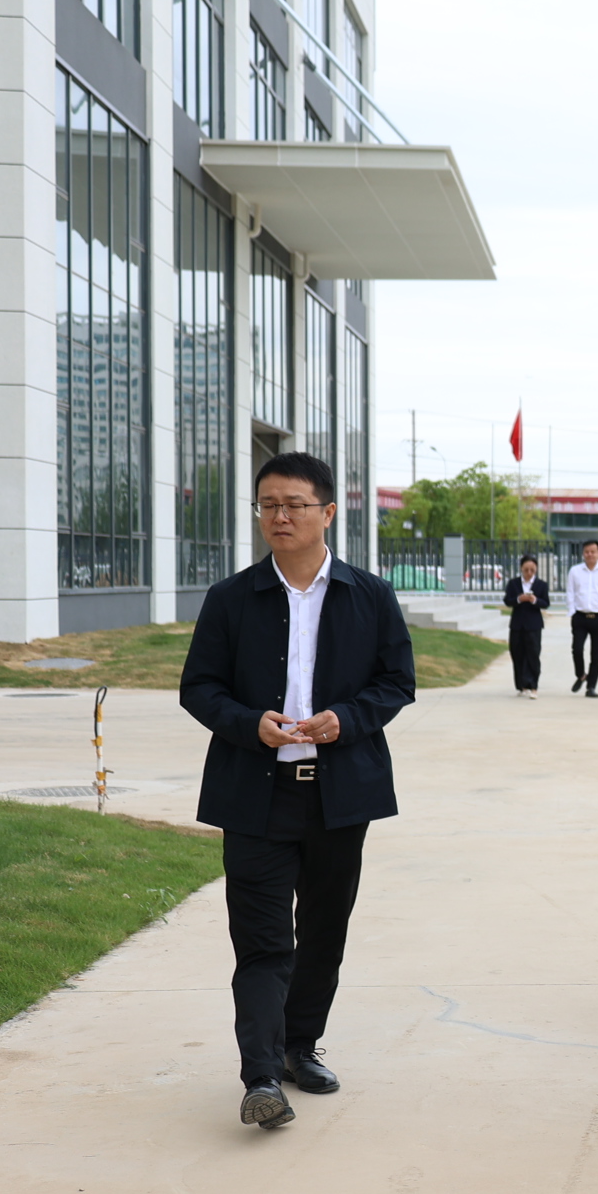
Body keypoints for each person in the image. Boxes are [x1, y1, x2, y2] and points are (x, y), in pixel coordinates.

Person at [178, 452, 416, 1131]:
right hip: (256, 794)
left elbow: (397, 682)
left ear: (328, 512)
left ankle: (298, 1046)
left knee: (323, 931)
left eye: (294, 504)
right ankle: (260, 1078)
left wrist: (349, 718)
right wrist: (247, 724)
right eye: (268, 505)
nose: (279, 516)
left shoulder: (370, 595)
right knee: (261, 942)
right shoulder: (231, 599)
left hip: (339, 796)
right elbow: (199, 688)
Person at [566, 539, 598, 697]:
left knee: (596, 654)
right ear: (583, 554)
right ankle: (581, 675)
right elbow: (570, 592)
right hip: (580, 617)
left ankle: (591, 687)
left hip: (597, 617)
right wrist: (572, 611)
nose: (589, 554)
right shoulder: (575, 571)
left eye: (593, 551)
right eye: (586, 552)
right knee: (577, 649)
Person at [503, 554, 549, 697]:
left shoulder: (541, 585)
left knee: (533, 654)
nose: (529, 573)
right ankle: (521, 685)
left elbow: (546, 603)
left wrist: (534, 600)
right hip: (517, 624)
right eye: (526, 570)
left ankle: (533, 685)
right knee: (517, 653)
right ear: (521, 569)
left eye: (532, 570)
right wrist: (519, 599)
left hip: (533, 625)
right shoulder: (514, 583)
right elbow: (507, 600)